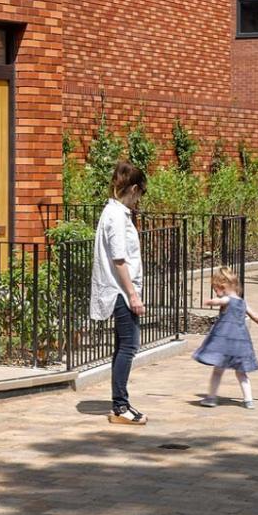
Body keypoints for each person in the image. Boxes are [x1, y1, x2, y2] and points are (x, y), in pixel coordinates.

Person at [90, 159, 148, 426]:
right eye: (140, 195)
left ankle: (120, 404)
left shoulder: (114, 213)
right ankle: (120, 406)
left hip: (119, 291)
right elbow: (119, 259)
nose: (138, 201)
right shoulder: (115, 215)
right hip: (120, 293)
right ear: (134, 188)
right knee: (129, 346)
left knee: (124, 346)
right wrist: (132, 295)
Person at [194, 266, 258, 408]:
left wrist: (211, 302)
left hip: (224, 343)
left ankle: (211, 398)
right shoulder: (243, 303)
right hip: (241, 343)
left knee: (217, 372)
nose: (216, 293)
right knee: (242, 373)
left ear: (222, 286)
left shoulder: (227, 300)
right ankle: (249, 400)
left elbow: (220, 302)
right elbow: (255, 316)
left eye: (215, 289)